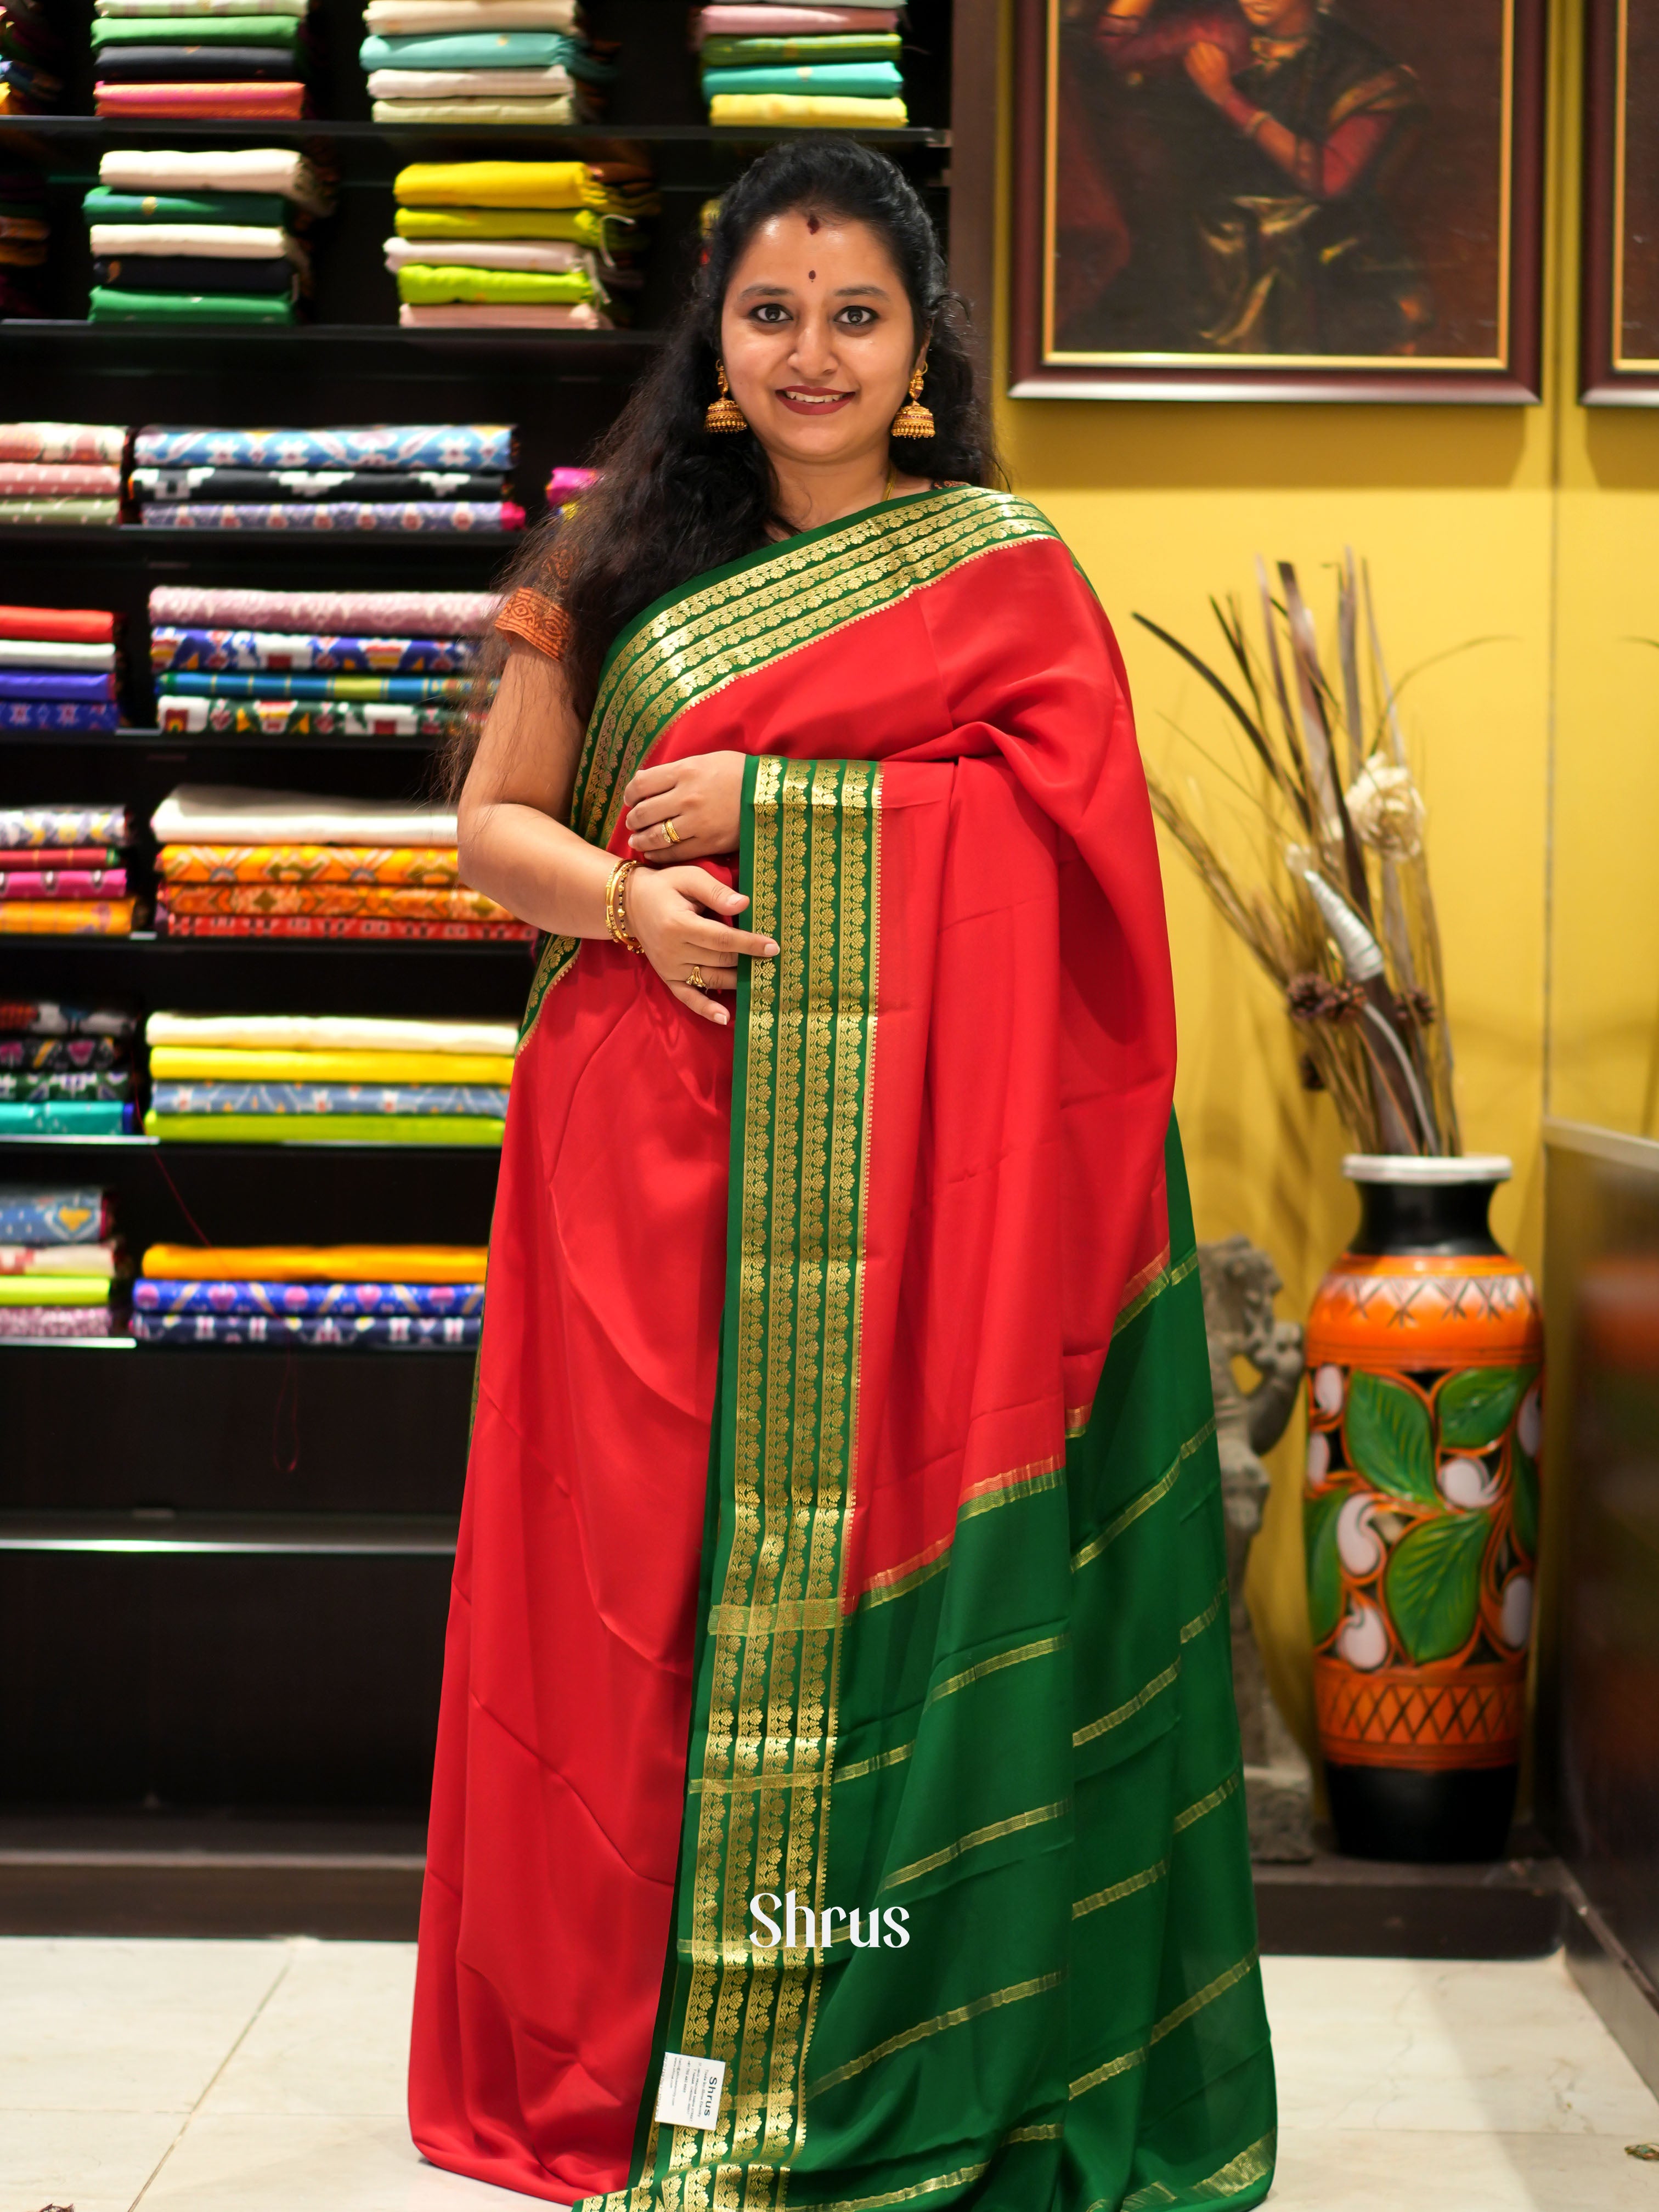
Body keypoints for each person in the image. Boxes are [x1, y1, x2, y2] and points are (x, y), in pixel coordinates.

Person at [407, 136, 1276, 2211]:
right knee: (646, 1593)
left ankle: (884, 2013)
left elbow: (1076, 875)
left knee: (890, 1557)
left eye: (854, 315)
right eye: (770, 310)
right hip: (647, 1154)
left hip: (924, 1203)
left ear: (917, 351)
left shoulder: (1000, 568)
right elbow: (493, 830)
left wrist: (794, 809)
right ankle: (649, 2062)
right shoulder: (603, 554)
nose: (809, 352)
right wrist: (629, 895)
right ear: (714, 336)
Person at [1058, 0, 1428, 354]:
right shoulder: (1219, 32)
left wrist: (1227, 99)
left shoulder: (1363, 70)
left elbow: (1328, 178)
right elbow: (1110, 46)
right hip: (1213, 249)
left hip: (1316, 254)